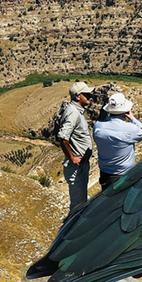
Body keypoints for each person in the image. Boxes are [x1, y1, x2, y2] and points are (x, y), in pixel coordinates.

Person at [93, 93, 142, 191]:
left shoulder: (98, 126)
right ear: (125, 111)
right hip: (123, 175)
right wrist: (132, 118)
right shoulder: (128, 129)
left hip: (105, 174)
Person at [58, 81, 94, 211]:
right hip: (76, 166)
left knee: (81, 202)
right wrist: (72, 157)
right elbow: (63, 137)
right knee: (78, 206)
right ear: (78, 96)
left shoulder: (76, 111)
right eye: (86, 94)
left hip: (80, 165)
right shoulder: (73, 112)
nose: (90, 96)